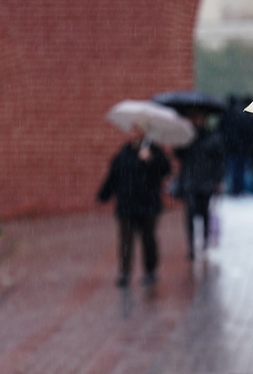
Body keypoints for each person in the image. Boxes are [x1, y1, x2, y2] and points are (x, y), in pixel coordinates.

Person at [97, 126, 171, 287]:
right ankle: (124, 272)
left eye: (138, 130)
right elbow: (114, 174)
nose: (134, 133)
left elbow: (165, 170)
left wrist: (151, 160)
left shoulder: (155, 150)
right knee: (125, 240)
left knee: (148, 239)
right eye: (133, 130)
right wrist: (104, 194)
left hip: (148, 204)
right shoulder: (124, 152)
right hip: (127, 204)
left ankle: (150, 270)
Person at [173, 107, 226, 260]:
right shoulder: (186, 137)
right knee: (190, 214)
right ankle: (191, 246)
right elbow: (178, 155)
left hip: (206, 182)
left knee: (204, 213)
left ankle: (203, 242)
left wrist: (218, 180)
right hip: (190, 181)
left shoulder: (213, 138)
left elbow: (220, 161)